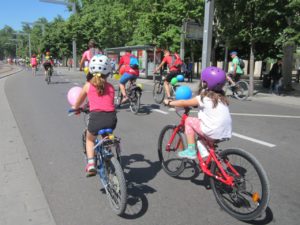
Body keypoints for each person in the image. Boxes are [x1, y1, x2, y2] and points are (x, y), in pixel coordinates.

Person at [164, 66, 232, 159]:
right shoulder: (222, 98)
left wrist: (169, 102)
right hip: (226, 131)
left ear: (206, 82)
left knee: (189, 121)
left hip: (212, 130)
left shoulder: (204, 98)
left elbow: (184, 102)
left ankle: (191, 151)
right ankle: (211, 160)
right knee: (204, 135)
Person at [72, 55, 116, 177]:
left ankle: (91, 164)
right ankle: (108, 151)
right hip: (112, 119)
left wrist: (75, 108)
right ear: (108, 71)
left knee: (90, 139)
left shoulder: (87, 86)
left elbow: (79, 101)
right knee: (106, 135)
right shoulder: (111, 87)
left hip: (96, 119)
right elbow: (107, 102)